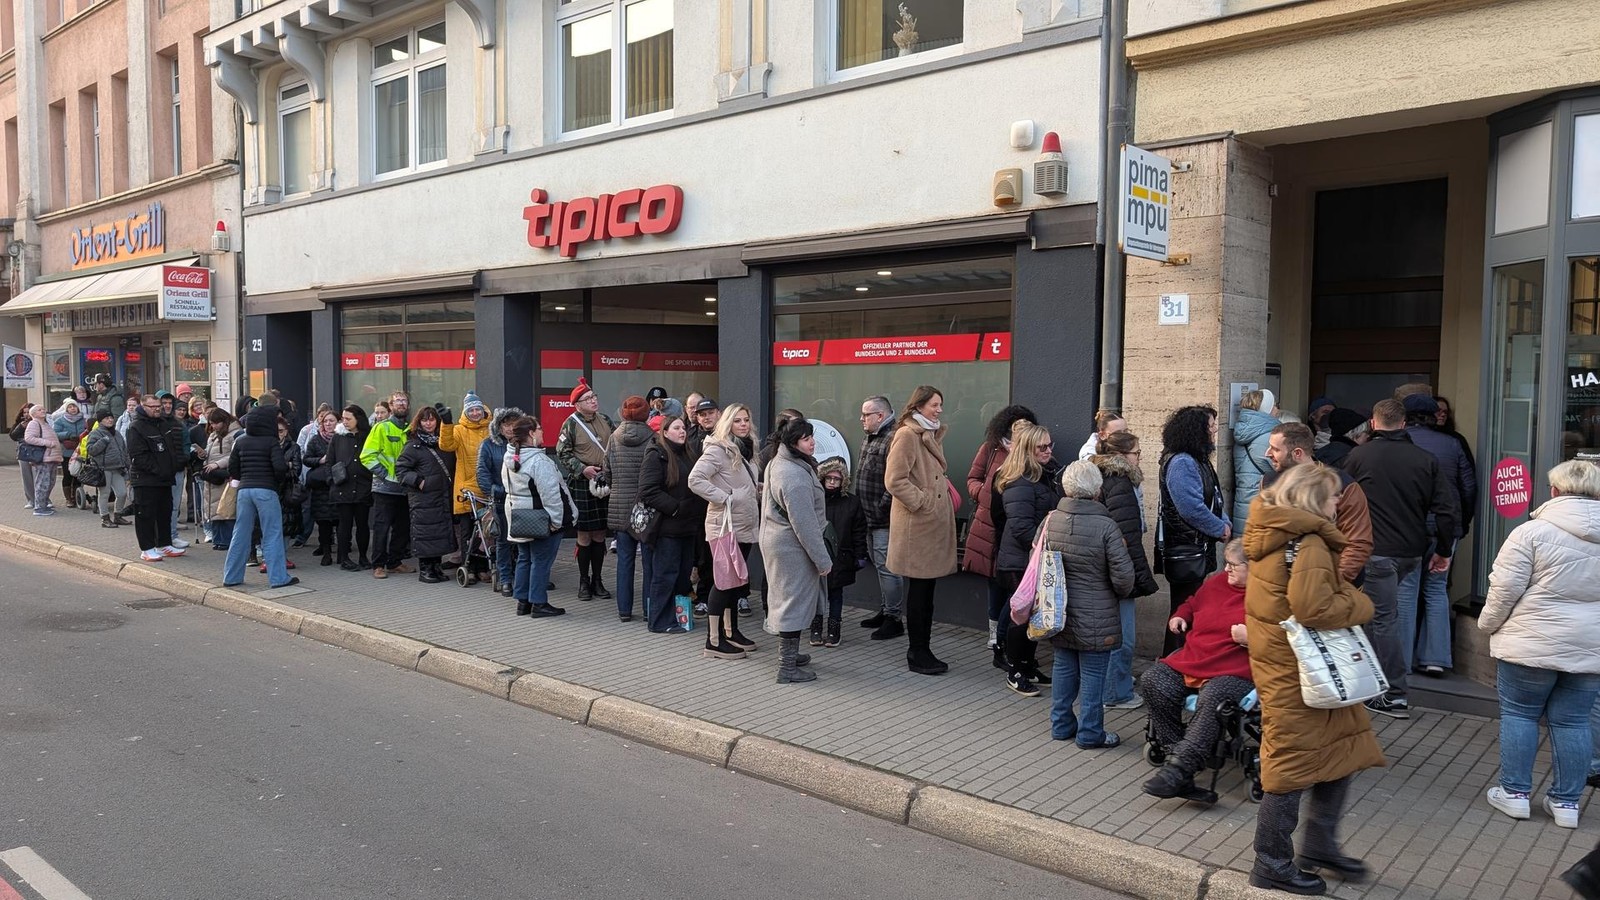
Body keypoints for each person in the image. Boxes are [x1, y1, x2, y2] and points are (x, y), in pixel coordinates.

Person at [1243, 462, 1384, 895]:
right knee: (1291, 768)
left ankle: (1319, 846)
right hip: (1300, 674)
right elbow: (1315, 609)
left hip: (1289, 666)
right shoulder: (1310, 543)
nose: (1340, 500)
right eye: (1334, 494)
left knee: (1338, 755)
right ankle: (1271, 863)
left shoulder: (1274, 534)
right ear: (1313, 498)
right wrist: (1361, 604)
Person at [1479, 460, 1600, 829]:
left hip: (1530, 642)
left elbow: (1504, 590)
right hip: (1589, 647)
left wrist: (1487, 625)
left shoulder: (1530, 533)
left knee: (1520, 714)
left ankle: (1515, 794)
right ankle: (1566, 804)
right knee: (1574, 722)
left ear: (1555, 492)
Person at [1343, 398, 1457, 719]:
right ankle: (1369, 681)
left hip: (1375, 550)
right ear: (1403, 424)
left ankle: (1394, 693)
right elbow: (1447, 510)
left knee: (1382, 619)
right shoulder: (1425, 459)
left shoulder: (1359, 456)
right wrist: (1444, 550)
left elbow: (1336, 496)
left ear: (1374, 422)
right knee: (1375, 616)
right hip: (1410, 551)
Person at [1140, 538, 1255, 799]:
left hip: (1235, 668)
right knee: (1153, 680)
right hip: (1195, 658)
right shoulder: (1217, 583)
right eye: (1226, 563)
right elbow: (1193, 602)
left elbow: (1287, 640)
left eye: (1233, 565)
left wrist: (1253, 637)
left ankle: (1179, 771)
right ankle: (1176, 749)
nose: (1226, 570)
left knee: (1214, 697)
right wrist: (1181, 615)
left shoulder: (1270, 597)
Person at [1037, 460, 1134, 747]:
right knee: (1093, 673)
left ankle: (1061, 725)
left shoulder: (1050, 520)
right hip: (1097, 614)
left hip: (1059, 610)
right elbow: (1124, 578)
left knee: (1063, 666)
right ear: (1097, 490)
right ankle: (1090, 733)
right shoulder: (1106, 526)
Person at [1400, 392, 1476, 677]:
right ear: (1434, 416)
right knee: (1436, 590)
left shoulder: (1400, 444)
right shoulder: (1453, 444)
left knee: (1406, 593)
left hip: (1408, 528)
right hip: (1445, 529)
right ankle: (1436, 659)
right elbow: (1468, 488)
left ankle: (1403, 661)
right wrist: (1462, 524)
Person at [885, 385, 958, 675]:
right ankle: (917, 651)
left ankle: (922, 648)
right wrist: (923, 502)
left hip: (929, 525)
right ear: (919, 406)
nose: (939, 409)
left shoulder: (929, 432)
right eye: (934, 405)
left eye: (941, 404)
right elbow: (894, 479)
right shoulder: (908, 435)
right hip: (918, 526)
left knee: (926, 592)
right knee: (920, 592)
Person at [992, 423, 1062, 696]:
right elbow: (1021, 527)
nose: (1047, 451)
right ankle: (1016, 669)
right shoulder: (1020, 480)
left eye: (1049, 445)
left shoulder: (1045, 475)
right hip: (1021, 561)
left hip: (1034, 558)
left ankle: (1028, 665)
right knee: (1021, 617)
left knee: (1034, 616)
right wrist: (1044, 545)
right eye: (1041, 447)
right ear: (1027, 450)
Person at [963, 404, 1038, 661]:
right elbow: (972, 478)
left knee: (1015, 582)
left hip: (1015, 527)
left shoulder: (1034, 453)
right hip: (989, 525)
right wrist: (985, 493)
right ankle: (995, 632)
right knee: (994, 580)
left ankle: (1008, 634)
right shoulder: (991, 448)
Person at [1092, 429, 1160, 708]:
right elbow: (1126, 537)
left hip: (1101, 570)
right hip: (1117, 571)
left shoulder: (1100, 477)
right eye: (1137, 453)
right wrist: (1133, 576)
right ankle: (1116, 694)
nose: (1140, 458)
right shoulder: (1120, 483)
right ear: (1120, 456)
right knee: (1122, 636)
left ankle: (1111, 688)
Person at [688, 401, 762, 655]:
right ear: (726, 423)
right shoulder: (718, 449)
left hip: (744, 522)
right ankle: (714, 640)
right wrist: (725, 497)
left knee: (737, 582)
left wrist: (756, 490)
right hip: (725, 525)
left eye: (746, 420)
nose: (743, 425)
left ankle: (732, 631)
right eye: (737, 420)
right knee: (724, 582)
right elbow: (695, 479)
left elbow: (742, 482)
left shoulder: (745, 449)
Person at [1156, 405, 1230, 656]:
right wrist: (1219, 528)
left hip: (1196, 547)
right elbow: (1191, 508)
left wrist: (1225, 523)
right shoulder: (1182, 463)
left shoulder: (1197, 460)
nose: (1213, 433)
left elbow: (1214, 499)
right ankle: (1172, 666)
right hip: (1186, 550)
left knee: (1189, 608)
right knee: (1182, 611)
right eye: (1210, 428)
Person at [760, 418, 829, 683]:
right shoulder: (793, 475)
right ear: (792, 443)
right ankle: (786, 668)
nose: (812, 442)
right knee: (792, 603)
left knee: (791, 600)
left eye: (811, 437)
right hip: (791, 546)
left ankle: (791, 656)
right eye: (805, 439)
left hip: (780, 541)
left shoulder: (783, 462)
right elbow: (805, 524)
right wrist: (822, 560)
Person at [1263, 423, 1372, 585]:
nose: (1268, 453)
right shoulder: (1269, 482)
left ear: (1297, 453)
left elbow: (1357, 542)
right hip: (1281, 588)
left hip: (1328, 586)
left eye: (1275, 449)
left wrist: (1330, 586)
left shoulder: (1342, 485)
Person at [638, 415, 705, 634]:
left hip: (688, 527)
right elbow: (648, 491)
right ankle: (659, 621)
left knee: (683, 574)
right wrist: (675, 508)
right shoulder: (657, 455)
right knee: (665, 574)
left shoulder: (688, 453)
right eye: (676, 428)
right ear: (665, 432)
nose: (682, 431)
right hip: (667, 528)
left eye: (683, 427)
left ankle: (676, 616)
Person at [503, 417, 575, 618]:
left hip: (519, 517)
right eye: (540, 429)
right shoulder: (538, 460)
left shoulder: (510, 456)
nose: (543, 432)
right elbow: (551, 495)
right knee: (541, 561)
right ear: (531, 434)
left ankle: (522, 602)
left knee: (525, 558)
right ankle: (539, 603)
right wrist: (556, 521)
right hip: (540, 518)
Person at [222, 404, 296, 588]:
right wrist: (284, 472)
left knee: (240, 533)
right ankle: (278, 578)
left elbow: (233, 468)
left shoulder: (240, 441)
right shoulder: (271, 442)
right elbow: (279, 468)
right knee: (272, 534)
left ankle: (231, 577)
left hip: (244, 491)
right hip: (266, 490)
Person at [556, 378, 615, 602]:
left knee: (600, 533)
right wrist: (582, 469)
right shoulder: (570, 424)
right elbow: (563, 453)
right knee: (584, 535)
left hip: (604, 481)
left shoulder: (606, 420)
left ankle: (598, 580)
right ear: (577, 404)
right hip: (582, 483)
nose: (593, 401)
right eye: (588, 399)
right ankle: (583, 580)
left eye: (594, 397)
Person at [855, 395, 905, 640]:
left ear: (880, 416)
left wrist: (880, 508)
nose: (861, 419)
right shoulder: (873, 435)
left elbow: (895, 481)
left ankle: (894, 618)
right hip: (869, 517)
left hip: (883, 518)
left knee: (888, 569)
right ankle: (886, 611)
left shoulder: (893, 438)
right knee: (880, 566)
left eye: (865, 415)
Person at [606, 397, 657, 623]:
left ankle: (624, 611)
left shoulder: (613, 438)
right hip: (646, 508)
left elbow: (607, 472)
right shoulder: (653, 438)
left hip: (620, 505)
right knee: (649, 562)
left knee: (624, 562)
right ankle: (648, 609)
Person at [394, 405, 456, 584]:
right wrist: (419, 481)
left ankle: (436, 566)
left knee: (438, 532)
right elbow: (401, 470)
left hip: (441, 495)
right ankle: (426, 568)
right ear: (418, 422)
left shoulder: (443, 442)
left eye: (432, 419)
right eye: (424, 420)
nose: (428, 423)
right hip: (423, 497)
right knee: (425, 532)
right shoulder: (413, 445)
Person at [813, 456, 868, 650]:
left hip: (841, 555)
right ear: (822, 478)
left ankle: (834, 630)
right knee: (816, 593)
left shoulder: (852, 503)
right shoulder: (816, 499)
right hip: (818, 553)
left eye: (837, 479)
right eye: (829, 478)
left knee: (836, 594)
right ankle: (816, 626)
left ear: (843, 481)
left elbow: (859, 531)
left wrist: (861, 555)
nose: (832, 482)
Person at [360, 391, 413, 579]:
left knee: (402, 527)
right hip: (385, 488)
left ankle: (395, 561)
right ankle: (378, 564)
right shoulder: (381, 428)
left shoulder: (410, 429)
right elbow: (367, 455)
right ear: (390, 406)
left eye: (404, 401)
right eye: (397, 401)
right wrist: (385, 476)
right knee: (382, 527)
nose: (401, 404)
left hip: (405, 488)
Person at [437, 392, 490, 577]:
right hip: (467, 489)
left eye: (478, 409)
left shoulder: (491, 429)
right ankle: (470, 568)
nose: (475, 413)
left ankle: (482, 566)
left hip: (487, 489)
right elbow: (446, 445)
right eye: (471, 410)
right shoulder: (459, 429)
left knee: (486, 531)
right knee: (467, 531)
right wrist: (446, 423)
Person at [477, 406, 524, 595]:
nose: (510, 428)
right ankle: (506, 579)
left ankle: (523, 577)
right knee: (504, 541)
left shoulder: (524, 443)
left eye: (514, 424)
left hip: (523, 498)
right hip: (501, 499)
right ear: (499, 426)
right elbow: (482, 473)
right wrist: (495, 492)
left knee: (524, 540)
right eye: (506, 424)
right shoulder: (488, 445)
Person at [329, 405, 373, 571]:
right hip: (343, 486)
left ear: (358, 419)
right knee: (345, 524)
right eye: (343, 418)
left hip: (362, 486)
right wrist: (331, 480)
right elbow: (330, 460)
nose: (345, 422)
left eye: (349, 418)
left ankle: (363, 556)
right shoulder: (338, 437)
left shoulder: (367, 435)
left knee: (363, 524)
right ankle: (344, 558)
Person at [1232, 389, 1281, 537]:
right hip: (1261, 505)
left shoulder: (1245, 432)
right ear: (1266, 408)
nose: (1278, 409)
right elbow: (1282, 470)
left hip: (1244, 503)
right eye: (1275, 405)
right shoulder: (1268, 437)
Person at [200, 409, 242, 552]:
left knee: (226, 509)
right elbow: (210, 453)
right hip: (212, 475)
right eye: (211, 423)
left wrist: (218, 464)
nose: (213, 426)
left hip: (224, 475)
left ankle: (226, 540)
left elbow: (234, 455)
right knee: (214, 510)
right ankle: (218, 539)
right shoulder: (213, 435)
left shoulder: (235, 435)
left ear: (224, 421)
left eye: (216, 423)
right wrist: (202, 455)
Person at [302, 409, 340, 565]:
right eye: (325, 421)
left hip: (338, 484)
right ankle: (326, 551)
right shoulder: (316, 440)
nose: (329, 424)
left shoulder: (342, 438)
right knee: (324, 522)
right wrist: (320, 460)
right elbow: (306, 459)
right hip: (321, 487)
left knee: (340, 521)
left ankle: (343, 551)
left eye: (332, 421)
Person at [86, 410, 132, 528]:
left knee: (122, 493)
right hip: (103, 469)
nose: (110, 420)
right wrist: (103, 441)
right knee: (104, 494)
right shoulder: (95, 433)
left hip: (117, 468)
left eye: (111, 418)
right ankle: (105, 518)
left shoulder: (117, 433)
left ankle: (118, 515)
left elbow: (124, 451)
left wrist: (127, 465)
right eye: (106, 418)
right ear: (100, 420)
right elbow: (91, 450)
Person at [22, 404, 62, 516]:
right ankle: (39, 507)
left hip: (52, 457)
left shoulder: (46, 424)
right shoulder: (34, 423)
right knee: (42, 482)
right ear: (33, 414)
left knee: (50, 482)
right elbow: (29, 438)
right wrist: (48, 443)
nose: (43, 411)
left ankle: (43, 504)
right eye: (39, 410)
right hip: (44, 458)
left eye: (43, 409)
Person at [51, 400, 88, 509]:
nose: (73, 409)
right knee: (67, 475)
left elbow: (89, 430)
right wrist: (68, 434)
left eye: (74, 407)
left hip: (80, 451)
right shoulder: (60, 421)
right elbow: (55, 434)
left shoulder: (84, 420)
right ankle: (68, 498)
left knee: (79, 475)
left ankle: (77, 496)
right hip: (67, 452)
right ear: (66, 409)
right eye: (70, 407)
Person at [11, 402, 36, 510]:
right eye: (24, 412)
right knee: (27, 477)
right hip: (23, 452)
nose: (26, 414)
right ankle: (31, 500)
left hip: (37, 452)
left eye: (28, 412)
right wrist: (21, 427)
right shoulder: (20, 423)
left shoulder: (39, 422)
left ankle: (43, 499)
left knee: (38, 477)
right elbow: (13, 436)